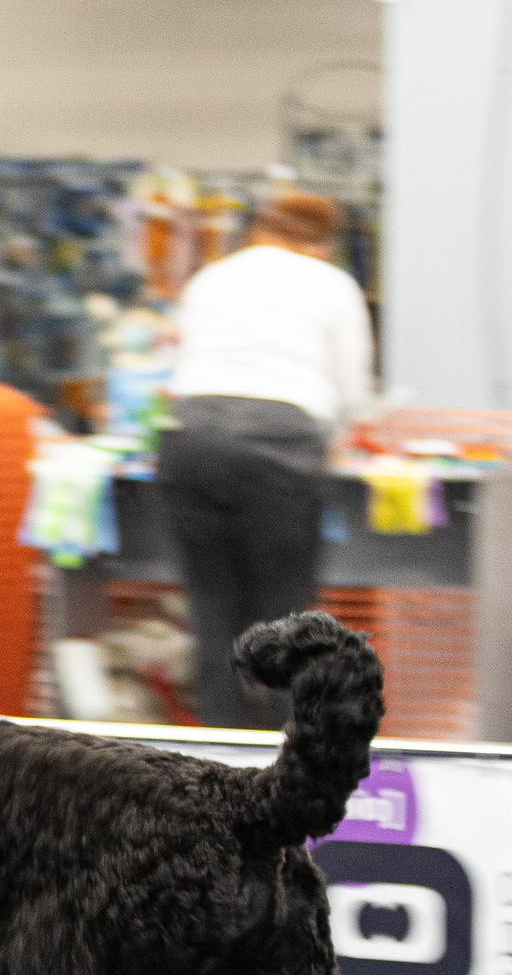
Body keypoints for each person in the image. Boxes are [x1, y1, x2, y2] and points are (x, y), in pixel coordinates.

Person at [156, 192, 372, 731]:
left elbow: (181, 365)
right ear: (320, 242)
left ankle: (217, 765)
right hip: (281, 448)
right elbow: (351, 390)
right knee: (288, 620)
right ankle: (289, 768)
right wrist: (341, 430)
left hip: (192, 442)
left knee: (212, 615)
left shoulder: (211, 278)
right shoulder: (333, 284)